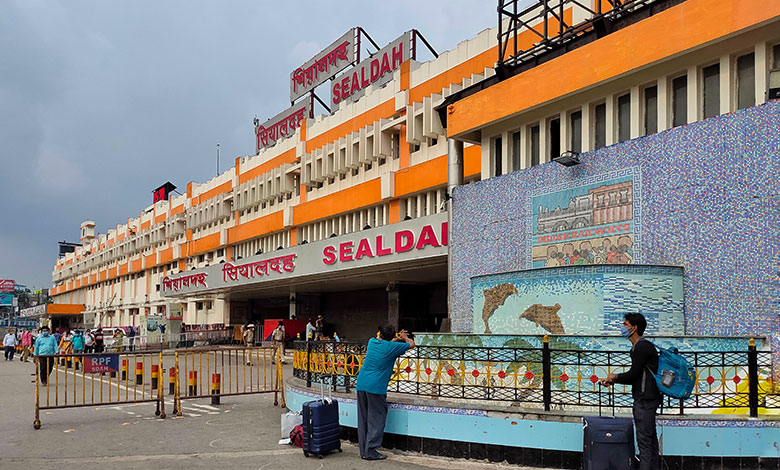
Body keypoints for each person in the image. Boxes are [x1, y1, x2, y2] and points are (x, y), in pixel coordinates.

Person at [600, 313, 661, 470]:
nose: (623, 327)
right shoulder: (639, 347)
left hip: (645, 400)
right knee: (650, 439)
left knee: (645, 442)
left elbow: (634, 374)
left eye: (625, 324)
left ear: (634, 328)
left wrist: (615, 376)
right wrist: (614, 380)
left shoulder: (642, 347)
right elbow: (638, 376)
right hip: (647, 398)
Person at [355, 324, 415, 461]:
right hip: (376, 387)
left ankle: (364, 450)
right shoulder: (392, 348)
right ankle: (371, 451)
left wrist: (395, 338)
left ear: (379, 334)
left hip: (362, 384)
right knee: (377, 418)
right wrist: (405, 338)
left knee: (363, 418)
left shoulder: (372, 342)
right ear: (391, 336)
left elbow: (386, 343)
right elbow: (412, 345)